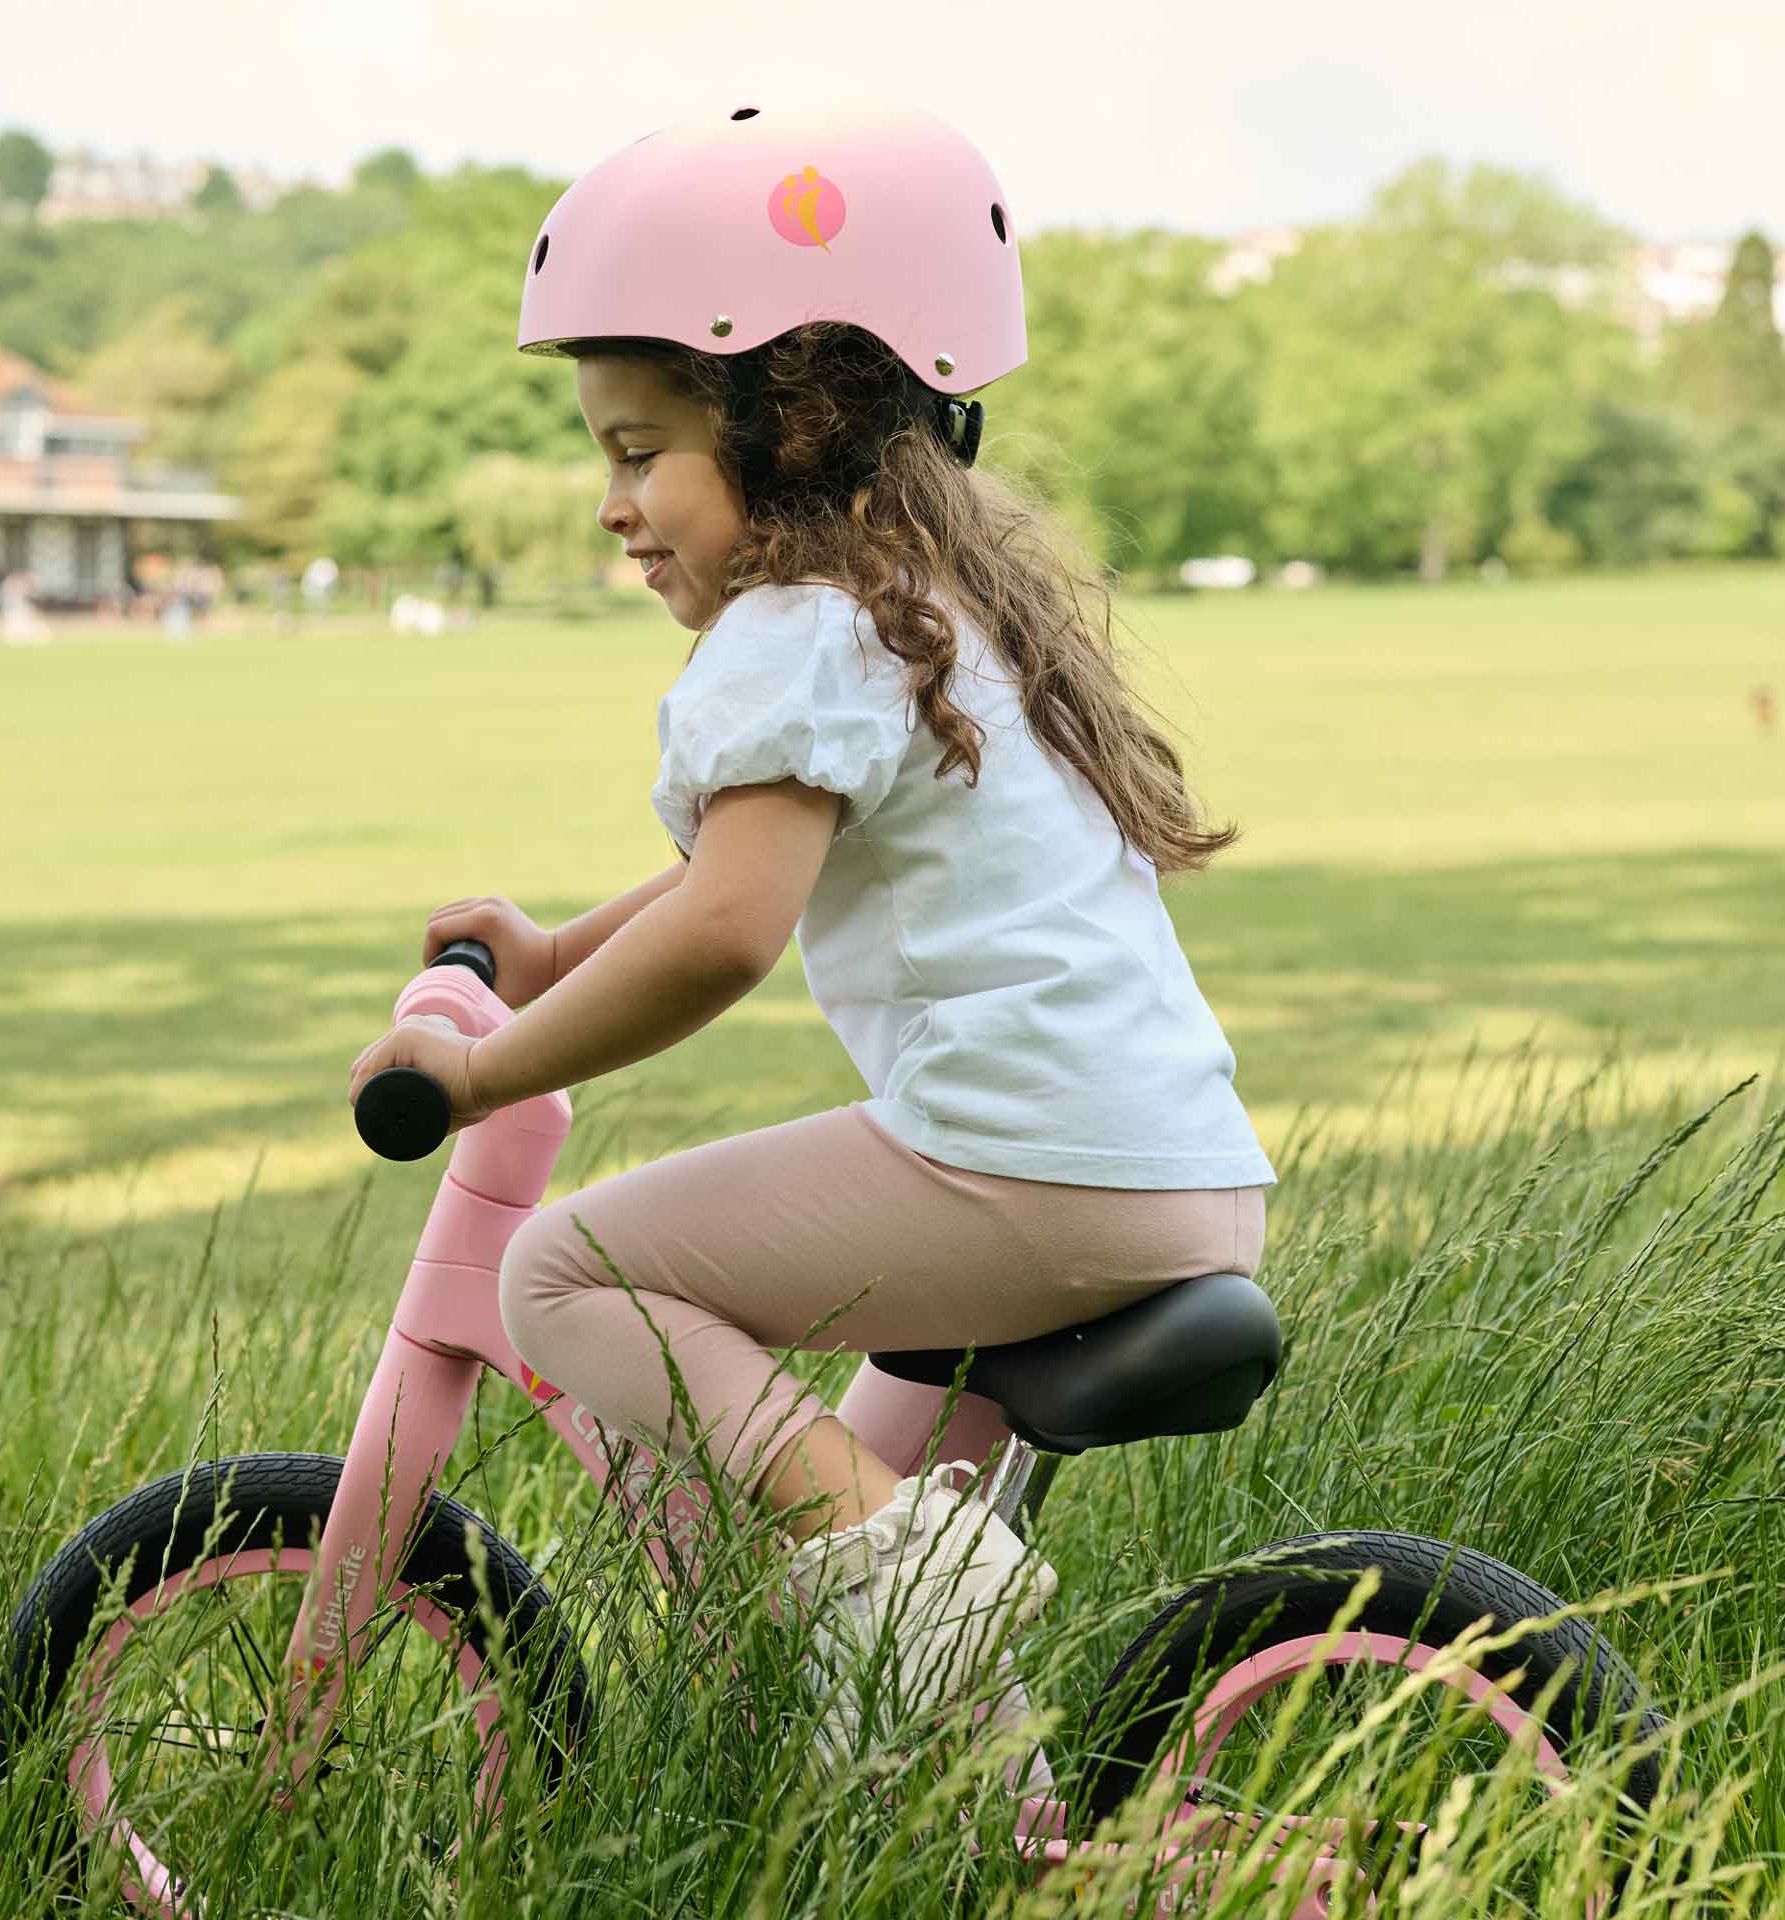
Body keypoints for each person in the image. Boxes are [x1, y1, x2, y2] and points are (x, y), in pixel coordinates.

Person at [346, 103, 1275, 1776]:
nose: (614, 504)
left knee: (570, 1273)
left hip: (1022, 1162)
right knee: (859, 1690)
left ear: (789, 428)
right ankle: (988, 1818)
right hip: (1164, 1167)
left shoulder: (796, 628)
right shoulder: (925, 606)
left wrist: (485, 1072)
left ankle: (906, 1565)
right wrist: (556, 954)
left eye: (642, 452)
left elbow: (725, 932)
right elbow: (745, 863)